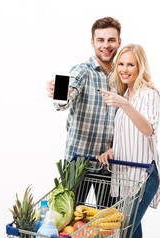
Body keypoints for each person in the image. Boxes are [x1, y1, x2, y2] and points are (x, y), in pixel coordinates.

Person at [46, 17, 122, 207]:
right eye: (101, 40)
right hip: (78, 164)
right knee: (69, 224)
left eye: (111, 40)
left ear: (119, 42)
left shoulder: (121, 76)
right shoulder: (83, 71)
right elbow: (65, 99)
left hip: (109, 166)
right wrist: (63, 94)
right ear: (92, 42)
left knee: (108, 224)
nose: (106, 45)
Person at [96, 44, 160, 238]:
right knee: (130, 235)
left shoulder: (149, 94)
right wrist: (112, 150)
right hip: (125, 177)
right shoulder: (125, 95)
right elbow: (129, 135)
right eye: (121, 64)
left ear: (140, 67)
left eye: (130, 65)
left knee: (121, 234)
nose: (124, 69)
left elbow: (148, 129)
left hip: (143, 176)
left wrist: (125, 105)